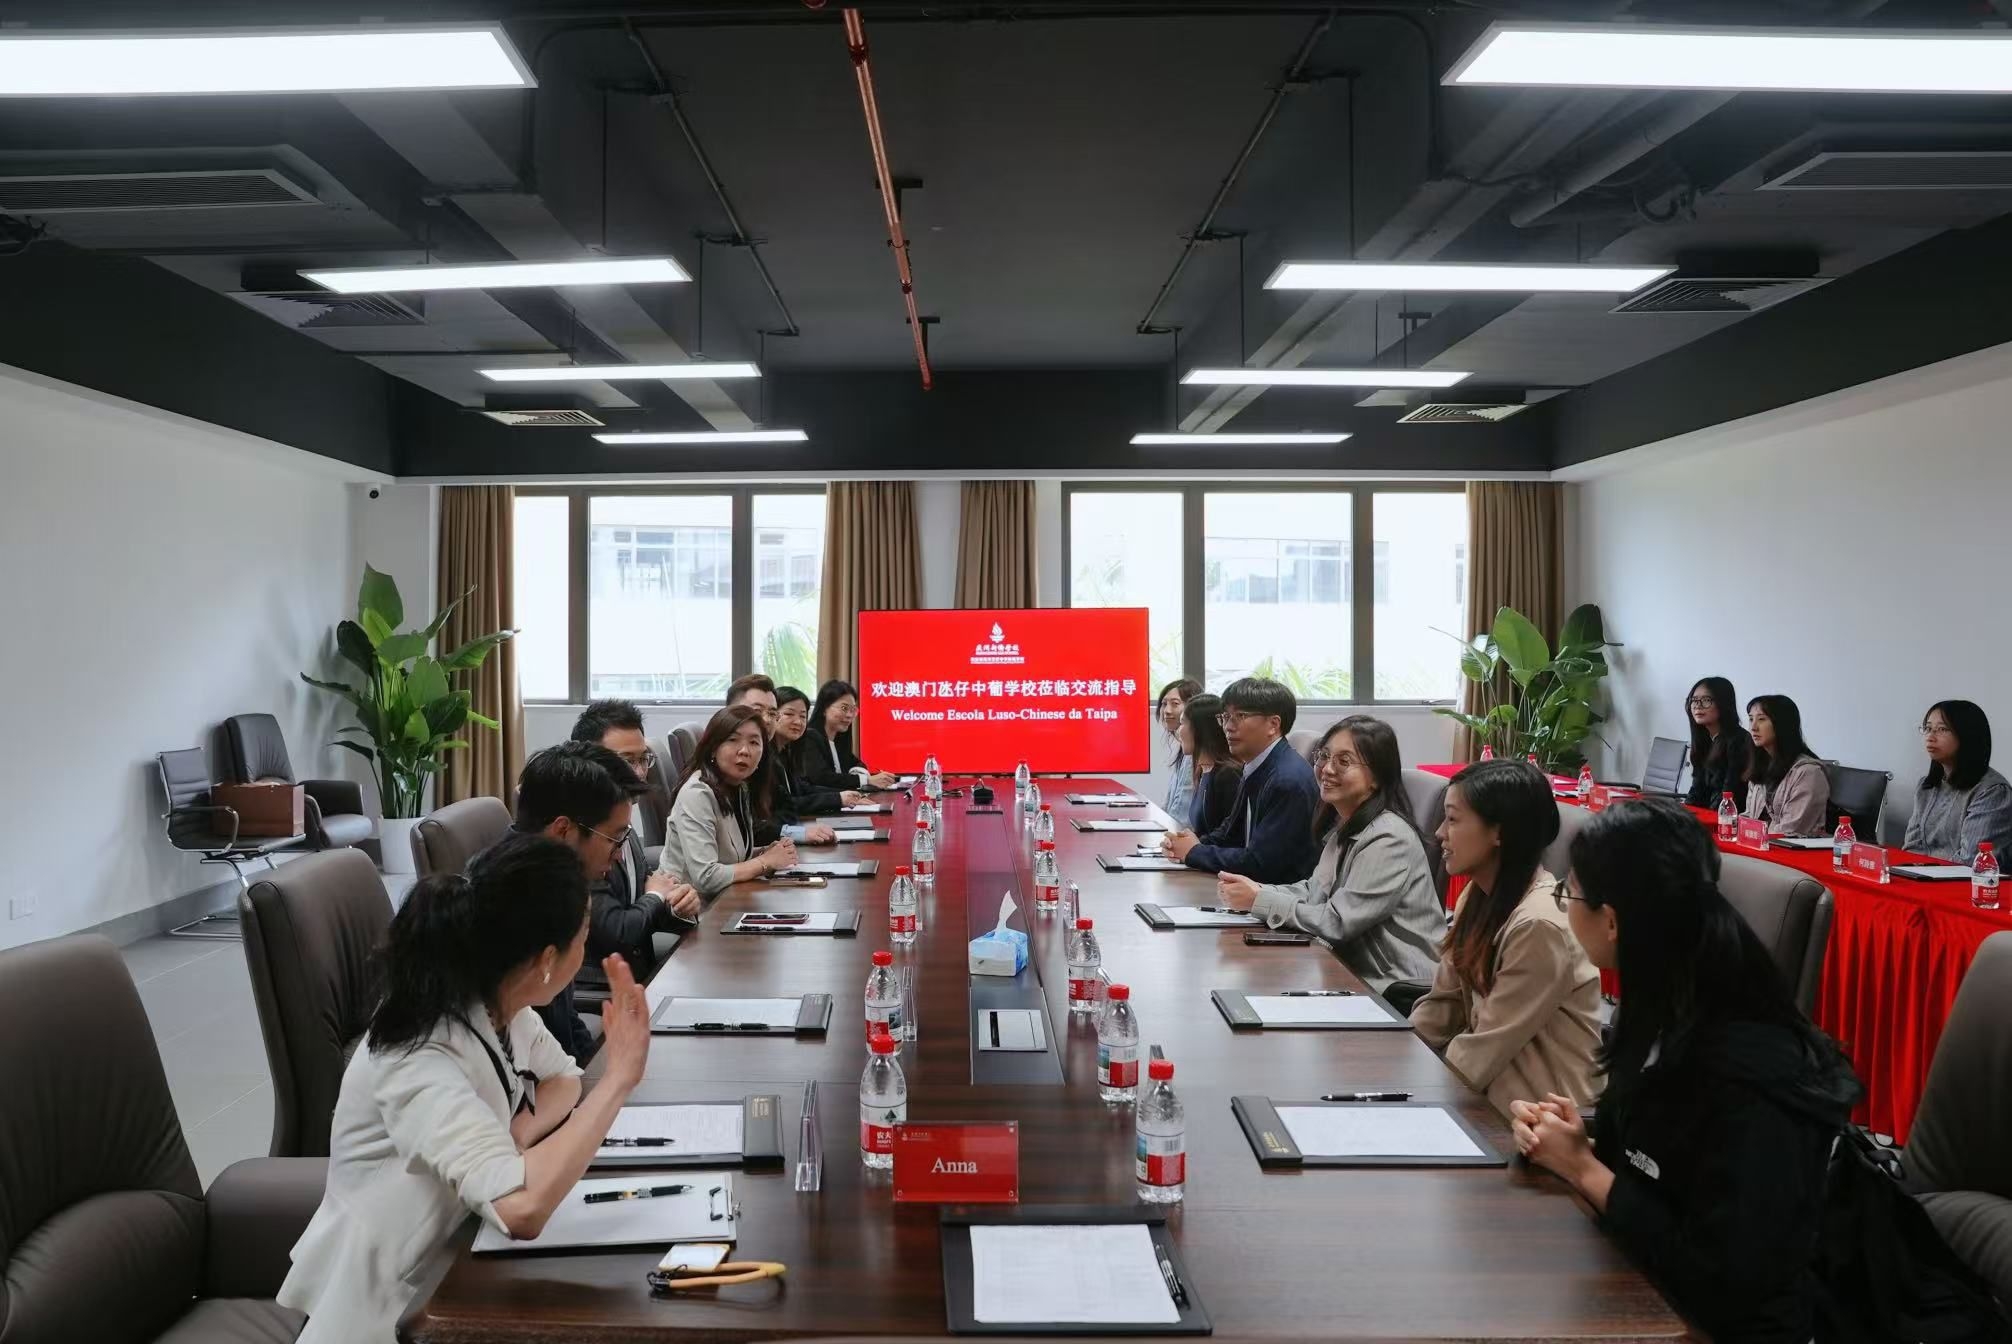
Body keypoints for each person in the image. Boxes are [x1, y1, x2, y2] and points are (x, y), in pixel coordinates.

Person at [277, 833, 653, 1343]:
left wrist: (517, 1136)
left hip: (461, 1255)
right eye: (583, 935)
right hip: (395, 1307)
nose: (587, 947)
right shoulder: (419, 1051)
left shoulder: (501, 1001)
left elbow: (563, 1078)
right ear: (547, 959)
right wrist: (619, 1078)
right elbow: (521, 1209)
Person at [1511, 798, 1862, 1343]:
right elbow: (1663, 1164)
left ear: (1612, 921)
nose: (1563, 904)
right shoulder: (1662, 998)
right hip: (1639, 1286)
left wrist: (1585, 1170)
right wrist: (1580, 1141)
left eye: (1569, 893)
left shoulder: (1749, 1069)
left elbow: (1723, 1278)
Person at [1410, 759, 1601, 1118]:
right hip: (1488, 1098)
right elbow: (1443, 1006)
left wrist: (1410, 1093)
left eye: (1452, 819)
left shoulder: (1540, 925)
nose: (1439, 833)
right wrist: (1395, 1059)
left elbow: (1484, 1048)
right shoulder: (1476, 895)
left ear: (1499, 832)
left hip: (1535, 1120)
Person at [1215, 715, 1442, 990]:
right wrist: (1256, 890)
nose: (1327, 769)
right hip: (1350, 971)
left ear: (1376, 777)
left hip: (1395, 987)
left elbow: (1337, 922)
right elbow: (1314, 891)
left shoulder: (1389, 838)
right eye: (1323, 756)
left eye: (1344, 761)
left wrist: (1260, 900)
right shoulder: (1347, 825)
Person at [511, 741, 650, 1061]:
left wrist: (592, 1070)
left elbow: (564, 1017)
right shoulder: (516, 904)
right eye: (615, 839)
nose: (619, 855)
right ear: (564, 830)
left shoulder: (553, 879)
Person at [569, 700, 700, 982]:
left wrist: (677, 905)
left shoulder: (620, 820)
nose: (639, 773)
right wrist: (655, 896)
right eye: (626, 761)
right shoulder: (578, 837)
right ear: (588, 760)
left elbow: (640, 897)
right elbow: (618, 932)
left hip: (642, 972)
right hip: (603, 985)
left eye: (643, 760)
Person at [1161, 676, 1320, 884]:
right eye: (1225, 717)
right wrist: (1188, 844)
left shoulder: (1286, 781)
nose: (1228, 726)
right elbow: (1230, 833)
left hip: (1280, 895)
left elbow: (1260, 863)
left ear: (1273, 725)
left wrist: (1195, 852)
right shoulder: (1255, 765)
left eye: (1240, 716)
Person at [660, 704, 798, 897]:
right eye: (733, 740)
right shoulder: (697, 794)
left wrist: (766, 852)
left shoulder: (740, 787)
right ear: (713, 748)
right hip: (690, 905)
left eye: (754, 742)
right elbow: (706, 877)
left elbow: (731, 857)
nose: (744, 751)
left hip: (726, 898)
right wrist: (765, 862)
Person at [724, 673, 840, 847]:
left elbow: (786, 808)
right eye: (757, 711)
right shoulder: (727, 764)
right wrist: (797, 832)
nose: (766, 720)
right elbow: (746, 829)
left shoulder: (765, 758)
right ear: (730, 712)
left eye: (772, 713)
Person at [1903, 699, 2012, 863]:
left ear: (1967, 735)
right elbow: (1911, 848)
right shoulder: (1927, 786)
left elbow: (1971, 860)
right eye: (1928, 728)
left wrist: (1923, 871)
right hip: (1922, 875)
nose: (1930, 737)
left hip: (1962, 877)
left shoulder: (1993, 791)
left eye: (1942, 729)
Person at [1743, 695, 1830, 837]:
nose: (1753, 727)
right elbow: (1749, 816)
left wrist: (1752, 834)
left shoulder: (1808, 772)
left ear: (1782, 724)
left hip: (1789, 846)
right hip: (1760, 843)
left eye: (1761, 719)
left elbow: (1791, 829)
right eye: (1751, 719)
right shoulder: (1760, 765)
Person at [795, 678, 899, 792]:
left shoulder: (839, 739)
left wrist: (860, 774)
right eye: (844, 708)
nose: (849, 715)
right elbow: (821, 777)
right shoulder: (809, 737)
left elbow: (857, 763)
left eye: (853, 710)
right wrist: (866, 780)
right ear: (824, 709)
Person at [1682, 676, 1752, 808]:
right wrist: (1685, 814)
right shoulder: (1704, 738)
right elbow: (1697, 788)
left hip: (1730, 815)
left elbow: (1729, 794)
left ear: (1723, 704)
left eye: (1706, 700)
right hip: (1708, 814)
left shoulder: (1740, 740)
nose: (1698, 706)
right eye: (1694, 700)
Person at [1178, 692, 1242, 836]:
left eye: (1182, 723)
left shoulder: (1228, 775)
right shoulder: (1203, 770)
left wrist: (1194, 845)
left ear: (1201, 729)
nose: (1178, 731)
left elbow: (1231, 836)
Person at [1156, 676, 1204, 823]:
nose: (1167, 711)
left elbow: (1181, 813)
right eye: (1164, 704)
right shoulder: (1184, 749)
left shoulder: (1193, 753)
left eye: (1175, 704)